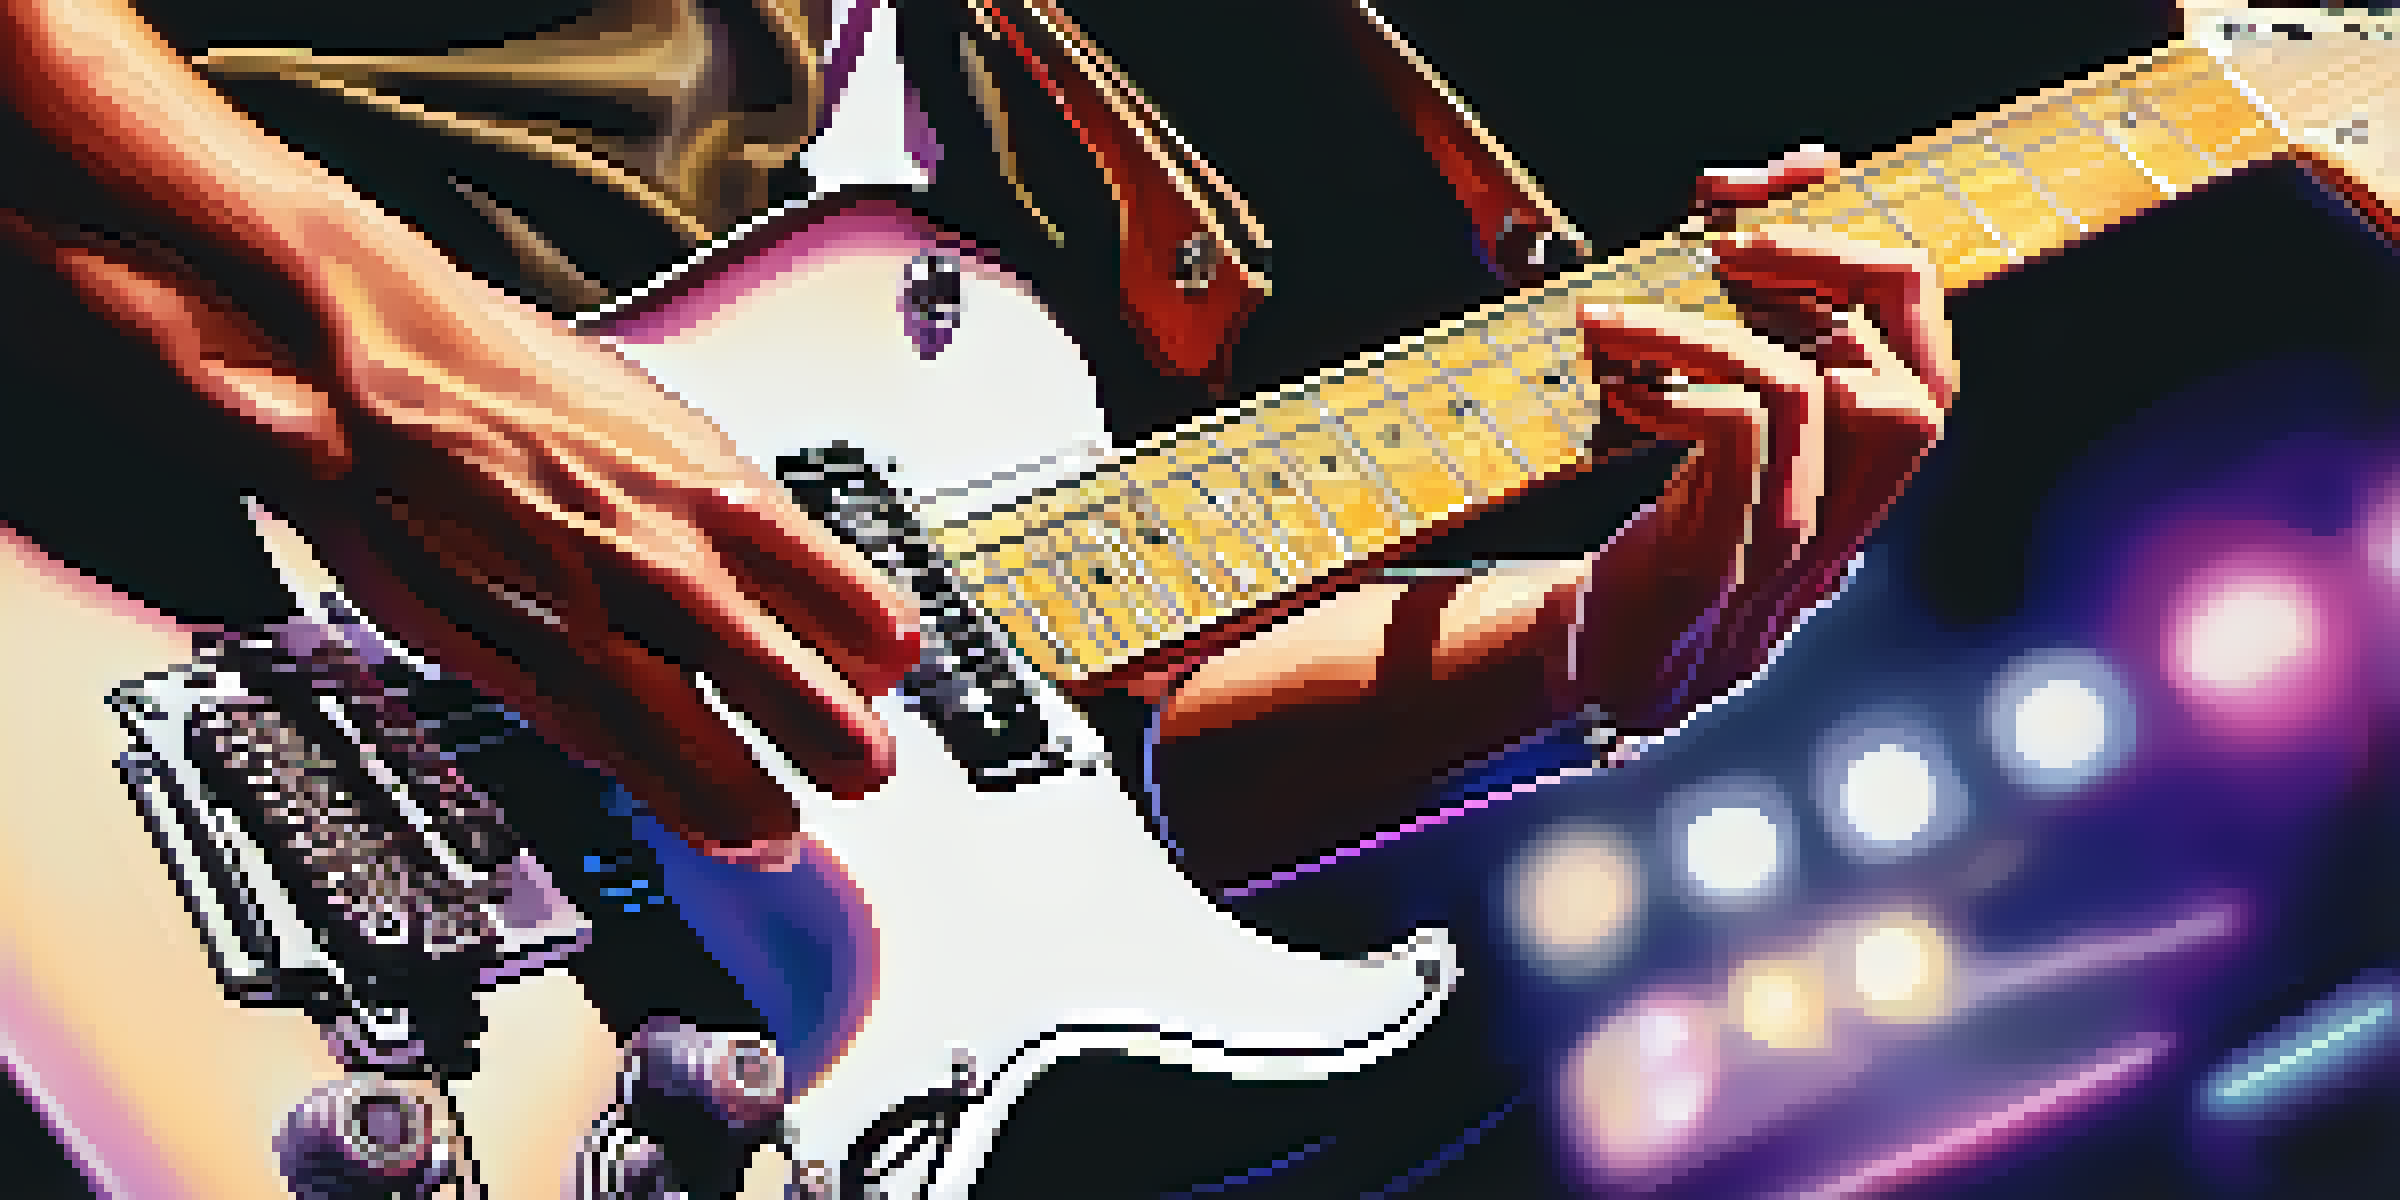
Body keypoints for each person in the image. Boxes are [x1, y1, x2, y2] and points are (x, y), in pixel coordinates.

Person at [0, 0, 1956, 1193]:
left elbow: (1070, 737)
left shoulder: (1052, 90)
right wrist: (389, 355)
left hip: (584, 1041)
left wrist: (1598, 642)